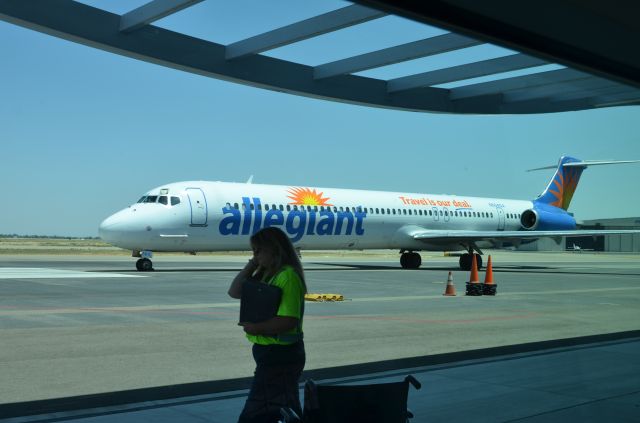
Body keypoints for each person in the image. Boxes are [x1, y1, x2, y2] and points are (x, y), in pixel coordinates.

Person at [228, 227, 307, 423]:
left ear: (274, 250)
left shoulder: (287, 276)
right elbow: (235, 291)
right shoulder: (266, 273)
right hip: (269, 352)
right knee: (282, 407)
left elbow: (289, 320)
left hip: (281, 354)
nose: (255, 256)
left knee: (258, 411)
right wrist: (253, 264)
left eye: (258, 251)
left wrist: (256, 328)